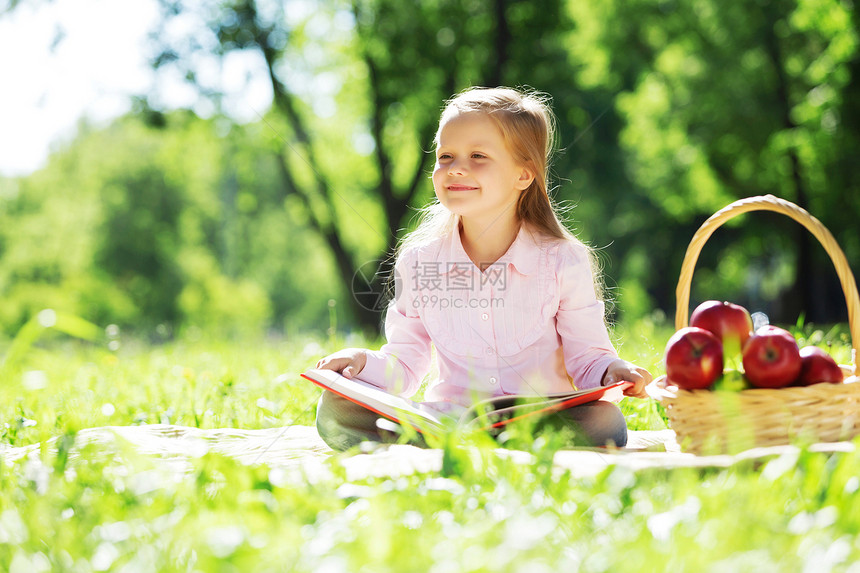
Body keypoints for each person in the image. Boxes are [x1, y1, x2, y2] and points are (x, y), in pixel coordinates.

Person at [315, 86, 652, 452]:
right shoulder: (419, 262)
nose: (456, 168)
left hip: (538, 415)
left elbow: (587, 356)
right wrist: (361, 363)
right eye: (445, 156)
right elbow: (405, 362)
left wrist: (611, 371)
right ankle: (460, 441)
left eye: (478, 156)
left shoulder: (562, 260)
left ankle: (467, 445)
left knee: (604, 421)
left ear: (523, 176)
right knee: (334, 411)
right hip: (450, 417)